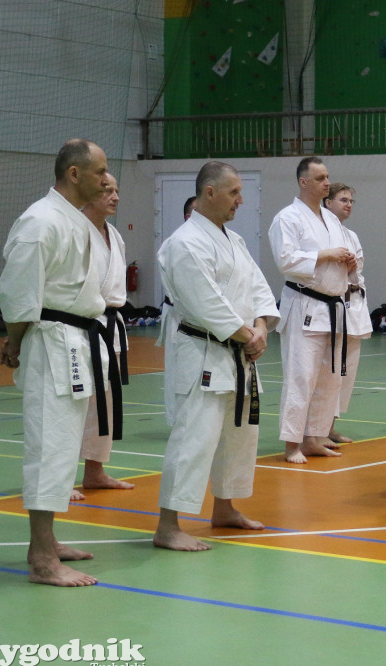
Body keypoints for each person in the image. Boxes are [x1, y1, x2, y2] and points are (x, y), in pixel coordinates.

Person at [0, 138, 111, 586]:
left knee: (64, 445)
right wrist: (13, 341)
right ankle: (43, 559)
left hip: (75, 341)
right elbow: (19, 293)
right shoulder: (40, 222)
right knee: (49, 446)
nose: (106, 179)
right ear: (74, 174)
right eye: (100, 171)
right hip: (50, 342)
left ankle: (47, 542)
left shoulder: (74, 221)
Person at [155, 161, 278, 551]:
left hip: (239, 353)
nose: (240, 201)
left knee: (238, 436)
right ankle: (168, 526)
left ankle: (224, 508)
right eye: (233, 193)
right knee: (194, 439)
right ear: (209, 193)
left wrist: (260, 328)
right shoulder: (184, 242)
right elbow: (205, 302)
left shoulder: (234, 241)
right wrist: (247, 336)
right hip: (204, 352)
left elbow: (260, 290)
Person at [269, 157, 355, 462]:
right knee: (301, 377)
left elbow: (338, 260)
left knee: (330, 378)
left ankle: (313, 437)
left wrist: (348, 264)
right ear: (303, 182)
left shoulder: (330, 219)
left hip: (333, 307)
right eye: (319, 178)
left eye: (327, 177)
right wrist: (325, 254)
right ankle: (292, 443)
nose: (327, 183)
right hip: (304, 304)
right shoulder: (287, 218)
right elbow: (286, 261)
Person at [70, 173, 134, 502]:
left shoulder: (115, 235)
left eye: (117, 190)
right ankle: (60, 477)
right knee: (73, 405)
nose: (115, 196)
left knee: (103, 405)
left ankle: (94, 473)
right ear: (89, 192)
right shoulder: (73, 231)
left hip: (109, 327)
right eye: (107, 190)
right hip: (79, 327)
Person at [323, 182, 373, 444]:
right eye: (343, 199)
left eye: (351, 200)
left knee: (346, 372)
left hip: (354, 305)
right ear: (327, 202)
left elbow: (357, 272)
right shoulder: (323, 234)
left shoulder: (351, 236)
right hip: (332, 306)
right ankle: (318, 430)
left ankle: (330, 428)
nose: (348, 204)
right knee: (329, 372)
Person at [157, 199, 195, 426]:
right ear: (190, 216)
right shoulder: (174, 244)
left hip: (201, 318)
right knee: (176, 372)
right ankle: (177, 422)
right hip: (180, 316)